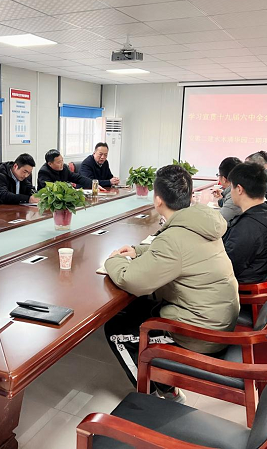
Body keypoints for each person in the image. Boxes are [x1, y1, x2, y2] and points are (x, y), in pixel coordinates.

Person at [103, 165, 239, 402]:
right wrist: (138, 251)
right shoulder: (200, 222)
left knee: (116, 330)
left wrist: (113, 260)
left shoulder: (174, 237)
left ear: (157, 200)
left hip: (200, 333)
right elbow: (178, 252)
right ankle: (164, 387)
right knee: (136, 309)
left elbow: (132, 280)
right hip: (216, 316)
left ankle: (155, 399)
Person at [222, 162, 267, 284]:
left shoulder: (248, 228)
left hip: (242, 284)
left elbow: (224, 268)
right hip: (257, 272)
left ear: (239, 189)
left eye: (231, 187)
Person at [212, 156, 242, 222]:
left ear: (224, 179)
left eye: (218, 175)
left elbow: (218, 222)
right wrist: (222, 196)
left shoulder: (235, 195)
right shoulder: (242, 189)